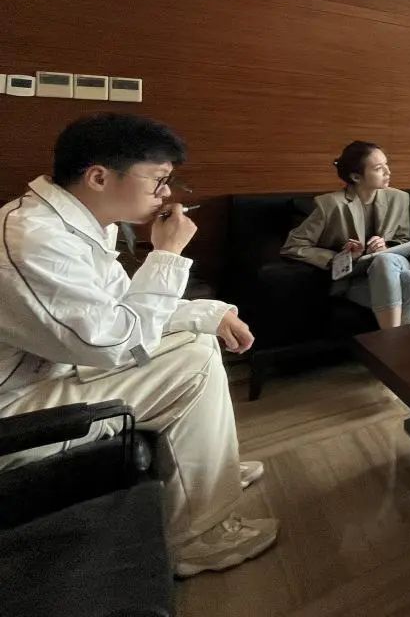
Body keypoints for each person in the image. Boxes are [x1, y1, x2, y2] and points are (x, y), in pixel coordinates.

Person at [0, 113, 277, 576]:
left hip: (53, 372)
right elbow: (119, 342)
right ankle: (199, 538)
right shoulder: (33, 239)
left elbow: (124, 308)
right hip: (17, 410)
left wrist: (210, 314)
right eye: (158, 179)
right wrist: (167, 253)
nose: (166, 194)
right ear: (99, 177)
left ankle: (212, 471)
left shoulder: (80, 224)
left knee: (197, 338)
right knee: (192, 363)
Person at [281, 141, 410, 330]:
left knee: (385, 259)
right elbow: (293, 245)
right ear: (356, 176)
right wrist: (341, 257)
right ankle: (399, 340)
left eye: (387, 164)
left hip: (395, 265)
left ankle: (390, 340)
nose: (388, 172)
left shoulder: (399, 198)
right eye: (378, 168)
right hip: (357, 278)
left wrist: (386, 247)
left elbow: (402, 239)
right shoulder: (330, 205)